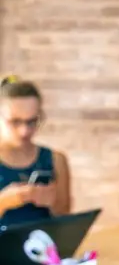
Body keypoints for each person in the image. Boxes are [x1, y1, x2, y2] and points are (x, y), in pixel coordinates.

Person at [0, 76, 71, 226]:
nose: (24, 131)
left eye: (32, 121)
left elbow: (64, 215)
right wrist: (3, 202)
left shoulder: (55, 160)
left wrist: (52, 202)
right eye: (15, 122)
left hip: (42, 247)